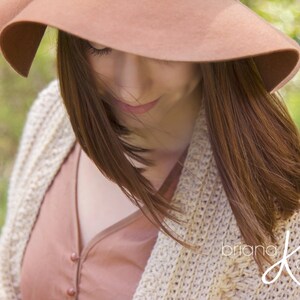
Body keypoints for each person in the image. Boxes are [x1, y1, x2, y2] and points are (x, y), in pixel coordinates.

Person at [0, 0, 300, 299]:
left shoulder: (270, 204)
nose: (132, 85)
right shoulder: (51, 117)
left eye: (160, 49)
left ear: (211, 46)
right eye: (101, 45)